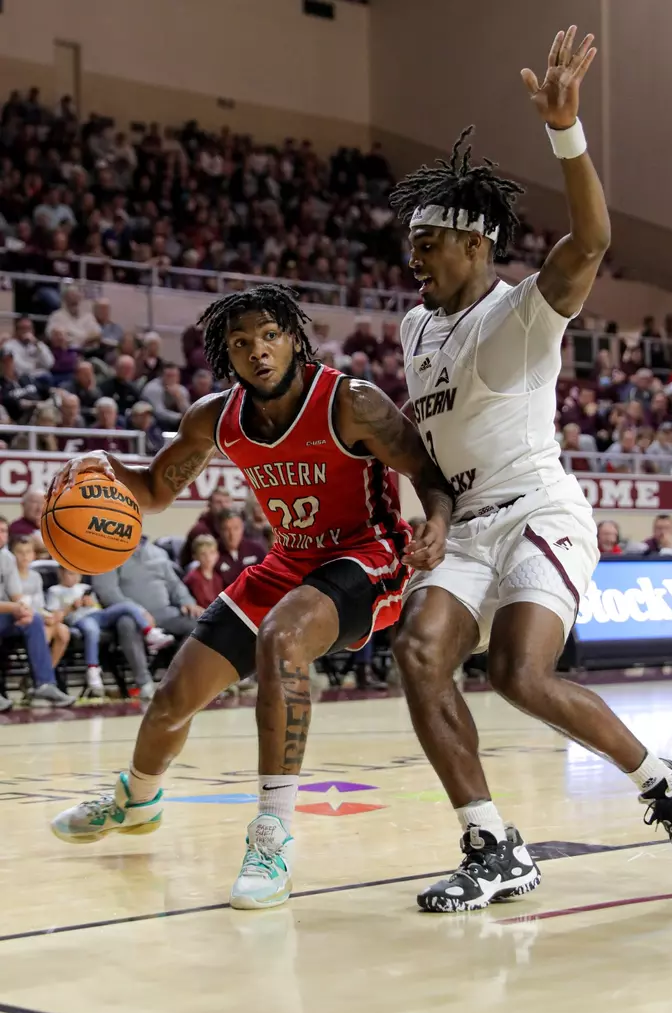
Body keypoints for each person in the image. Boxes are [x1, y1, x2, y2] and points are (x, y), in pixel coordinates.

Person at [389, 25, 672, 913]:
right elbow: (428, 451)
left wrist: (564, 134)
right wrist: (425, 516)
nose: (412, 255)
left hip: (539, 508)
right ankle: (492, 843)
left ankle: (665, 785)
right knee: (418, 654)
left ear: (475, 244)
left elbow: (589, 239)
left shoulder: (524, 313)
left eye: (428, 241)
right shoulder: (413, 329)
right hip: (463, 522)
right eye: (411, 242)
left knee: (518, 675)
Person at [49, 283, 451, 910]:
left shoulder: (352, 403)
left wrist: (438, 523)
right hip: (287, 563)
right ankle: (138, 799)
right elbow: (155, 490)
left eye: (269, 336)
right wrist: (105, 464)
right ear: (226, 354)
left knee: (282, 639)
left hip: (367, 556)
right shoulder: (216, 417)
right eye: (241, 343)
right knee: (172, 701)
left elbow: (427, 472)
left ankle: (271, 834)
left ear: (293, 338)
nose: (257, 351)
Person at [47, 566, 174, 696]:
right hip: (79, 620)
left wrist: (91, 604)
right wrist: (72, 607)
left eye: (77, 574)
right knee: (91, 630)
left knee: (127, 606)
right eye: (70, 574)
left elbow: (98, 606)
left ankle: (149, 633)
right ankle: (92, 669)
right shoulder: (55, 591)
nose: (74, 577)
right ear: (61, 573)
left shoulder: (85, 588)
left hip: (98, 615)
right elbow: (54, 616)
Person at [0, 545, 74, 707]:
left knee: (34, 620)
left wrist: (25, 611)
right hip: (5, 610)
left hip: (5, 613)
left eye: (4, 531)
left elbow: (16, 595)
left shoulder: (6, 558)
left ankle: (44, 685)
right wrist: (15, 608)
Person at [11, 535, 70, 669]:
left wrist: (49, 616)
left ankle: (46, 672)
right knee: (45, 630)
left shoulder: (36, 577)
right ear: (13, 555)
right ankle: (39, 678)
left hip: (38, 616)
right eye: (20, 552)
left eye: (28, 552)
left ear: (33, 555)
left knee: (63, 631)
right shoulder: (10, 576)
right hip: (19, 619)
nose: (24, 556)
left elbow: (39, 605)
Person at [183, 534, 225, 609]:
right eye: (203, 554)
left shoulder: (217, 577)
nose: (208, 558)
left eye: (211, 553)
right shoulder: (194, 578)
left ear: (217, 555)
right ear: (195, 557)